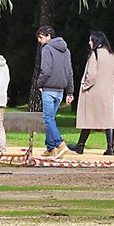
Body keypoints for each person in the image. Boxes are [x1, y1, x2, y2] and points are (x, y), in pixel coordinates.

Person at [31, 25, 75, 157]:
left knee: (48, 119)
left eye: (41, 37)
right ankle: (50, 148)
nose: (39, 40)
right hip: (60, 91)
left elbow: (45, 70)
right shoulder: (66, 51)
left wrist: (39, 84)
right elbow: (69, 72)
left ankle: (60, 144)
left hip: (49, 89)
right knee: (51, 120)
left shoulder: (47, 49)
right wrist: (70, 92)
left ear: (48, 36)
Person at [73, 30, 114, 155]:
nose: (89, 42)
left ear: (96, 41)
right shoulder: (112, 56)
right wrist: (112, 90)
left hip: (93, 92)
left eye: (91, 40)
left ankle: (80, 145)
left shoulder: (95, 54)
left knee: (88, 118)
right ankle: (110, 148)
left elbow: (91, 74)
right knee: (108, 120)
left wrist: (85, 86)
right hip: (107, 94)